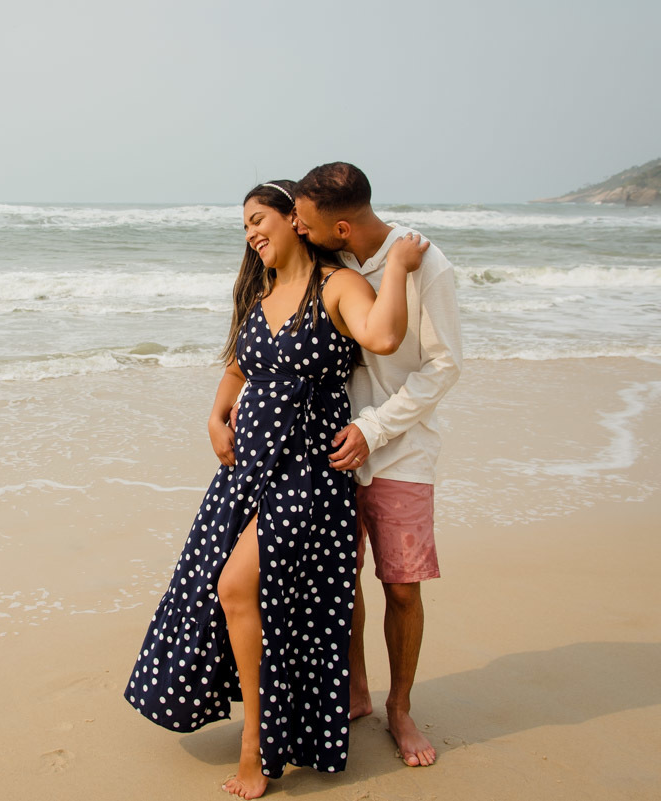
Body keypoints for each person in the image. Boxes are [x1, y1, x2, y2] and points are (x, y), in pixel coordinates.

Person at [124, 179, 426, 798]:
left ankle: (255, 746)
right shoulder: (259, 294)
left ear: (296, 219)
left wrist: (396, 265)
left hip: (310, 472)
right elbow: (240, 365)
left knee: (237, 585)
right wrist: (216, 415)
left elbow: (383, 337)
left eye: (259, 219)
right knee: (227, 591)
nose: (251, 233)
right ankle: (275, 726)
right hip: (248, 471)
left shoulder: (337, 285)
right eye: (244, 226)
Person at [291, 162, 463, 768]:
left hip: (402, 449)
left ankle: (401, 708)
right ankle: (358, 690)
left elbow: (443, 367)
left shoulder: (425, 263)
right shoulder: (330, 262)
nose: (299, 231)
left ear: (341, 226)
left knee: (402, 587)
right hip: (331, 450)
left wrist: (374, 428)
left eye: (306, 223)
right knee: (342, 579)